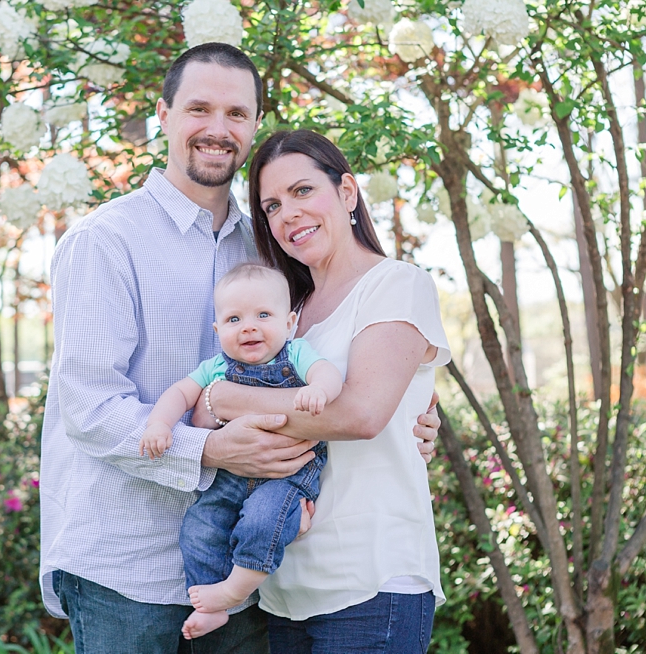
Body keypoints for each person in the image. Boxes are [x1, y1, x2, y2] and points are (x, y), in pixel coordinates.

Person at [40, 42, 440, 654]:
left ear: (254, 123)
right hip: (129, 566)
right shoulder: (106, 240)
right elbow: (88, 407)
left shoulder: (273, 247)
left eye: (236, 113)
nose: (217, 129)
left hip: (251, 573)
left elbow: (355, 360)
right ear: (165, 114)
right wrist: (212, 447)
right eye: (199, 108)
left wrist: (416, 414)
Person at [198, 129, 450, 652]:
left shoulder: (397, 284)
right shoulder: (286, 313)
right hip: (286, 589)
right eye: (271, 205)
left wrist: (230, 400)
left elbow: (360, 413)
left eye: (303, 191)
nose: (287, 213)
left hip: (372, 583)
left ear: (348, 193)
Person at [138, 263, 342, 640]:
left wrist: (319, 390)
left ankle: (234, 590)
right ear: (218, 332)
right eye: (234, 319)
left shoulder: (296, 354)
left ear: (289, 321)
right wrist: (159, 424)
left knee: (263, 521)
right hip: (231, 475)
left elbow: (327, 373)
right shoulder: (216, 367)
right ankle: (210, 606)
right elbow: (180, 394)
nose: (249, 326)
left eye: (263, 315)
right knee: (200, 527)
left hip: (288, 473)